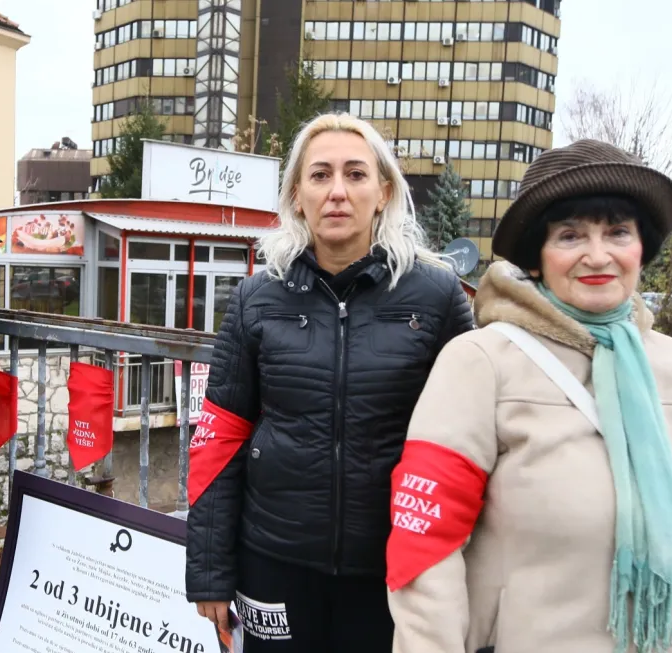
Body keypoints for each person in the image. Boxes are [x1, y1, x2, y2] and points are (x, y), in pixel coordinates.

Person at [385, 139, 672, 653]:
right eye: (570, 235)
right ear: (537, 256)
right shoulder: (480, 364)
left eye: (618, 232)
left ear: (641, 248)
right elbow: (426, 549)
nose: (597, 255)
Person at [184, 113, 474, 652]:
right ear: (297, 195)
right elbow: (218, 440)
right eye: (320, 175)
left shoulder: (437, 296)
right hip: (275, 560)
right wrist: (209, 572)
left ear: (383, 191)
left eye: (355, 174)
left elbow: (472, 443)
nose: (337, 191)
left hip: (393, 565)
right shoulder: (257, 298)